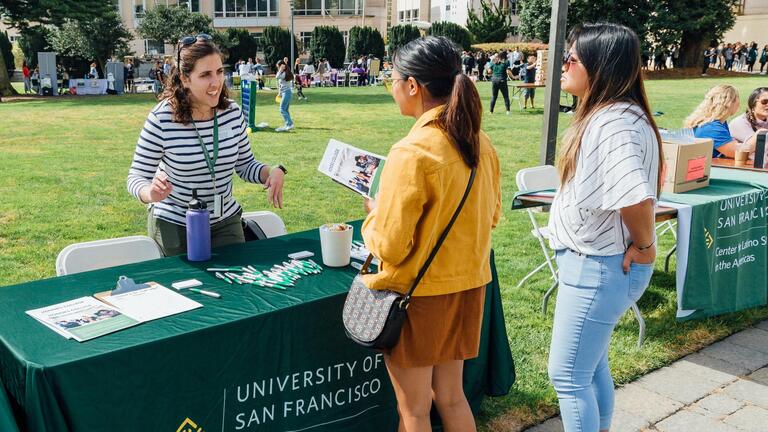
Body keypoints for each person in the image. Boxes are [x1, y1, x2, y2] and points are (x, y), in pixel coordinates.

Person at [363, 36, 501, 432]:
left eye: (392, 78)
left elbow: (389, 243)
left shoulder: (413, 151)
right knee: (452, 398)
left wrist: (374, 217)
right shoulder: (480, 142)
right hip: (469, 288)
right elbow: (490, 217)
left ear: (412, 85)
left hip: (419, 298)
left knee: (415, 411)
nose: (390, 88)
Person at [548, 23, 662, 432]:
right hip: (599, 265)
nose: (562, 64)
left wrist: (646, 246)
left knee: (568, 376)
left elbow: (634, 196)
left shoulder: (613, 122)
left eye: (572, 58)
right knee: (591, 367)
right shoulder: (616, 115)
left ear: (601, 66)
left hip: (598, 266)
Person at [126, 34, 286, 256]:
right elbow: (136, 177)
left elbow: (245, 165)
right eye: (205, 75)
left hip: (224, 219)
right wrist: (150, 193)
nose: (216, 82)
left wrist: (271, 172)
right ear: (184, 78)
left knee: (239, 280)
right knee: (188, 287)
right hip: (176, 222)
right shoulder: (162, 118)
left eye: (220, 72)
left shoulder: (232, 112)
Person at [684, 85, 762, 158]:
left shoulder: (717, 122)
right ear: (729, 103)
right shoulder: (711, 127)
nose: (739, 105)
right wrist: (759, 135)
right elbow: (739, 152)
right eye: (737, 101)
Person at [726, 86, 768, 158]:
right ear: (753, 105)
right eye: (764, 102)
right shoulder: (739, 123)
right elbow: (757, 147)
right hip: (738, 165)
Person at [275, 59, 295, 132]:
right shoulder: (285, 72)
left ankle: (290, 124)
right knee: (285, 109)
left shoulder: (284, 73)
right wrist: (279, 93)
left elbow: (277, 77)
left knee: (282, 109)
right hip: (286, 93)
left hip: (287, 93)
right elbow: (281, 84)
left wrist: (280, 69)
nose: (278, 68)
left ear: (282, 66)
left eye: (278, 67)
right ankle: (288, 124)